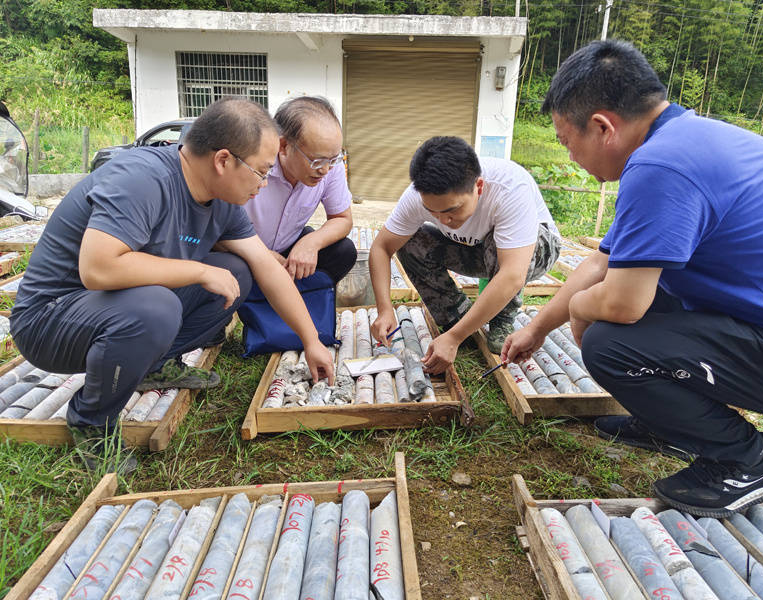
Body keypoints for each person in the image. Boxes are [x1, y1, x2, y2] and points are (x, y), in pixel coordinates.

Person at [502, 39, 763, 517]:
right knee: (644, 292)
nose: (571, 156)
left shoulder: (661, 165)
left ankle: (747, 462)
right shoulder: (683, 140)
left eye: (565, 142)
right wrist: (537, 329)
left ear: (603, 127)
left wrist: (578, 310)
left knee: (608, 342)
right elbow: (602, 264)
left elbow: (623, 304)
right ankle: (668, 421)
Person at [10, 98, 334, 473]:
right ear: (223, 160)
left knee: (236, 271)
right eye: (261, 172)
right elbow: (98, 269)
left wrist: (311, 340)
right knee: (158, 308)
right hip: (50, 320)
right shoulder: (143, 180)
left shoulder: (222, 201)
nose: (264, 184)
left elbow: (266, 266)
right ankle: (92, 419)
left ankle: (153, 365)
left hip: (112, 305)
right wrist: (197, 272)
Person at [369, 136, 560, 374]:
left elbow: (512, 274)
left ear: (478, 187)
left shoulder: (509, 188)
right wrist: (384, 309)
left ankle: (502, 319)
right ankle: (456, 316)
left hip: (532, 251)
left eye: (452, 210)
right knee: (411, 242)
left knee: (499, 243)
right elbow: (381, 247)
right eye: (433, 212)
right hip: (475, 250)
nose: (444, 220)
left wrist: (454, 338)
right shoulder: (418, 195)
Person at [244, 95, 355, 284]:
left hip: (287, 249)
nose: (325, 170)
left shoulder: (330, 165)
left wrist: (311, 243)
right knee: (234, 267)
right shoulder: (251, 164)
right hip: (244, 249)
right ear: (284, 146)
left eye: (333, 159)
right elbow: (221, 232)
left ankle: (305, 295)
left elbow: (343, 219)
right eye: (316, 161)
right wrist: (262, 255)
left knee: (344, 251)